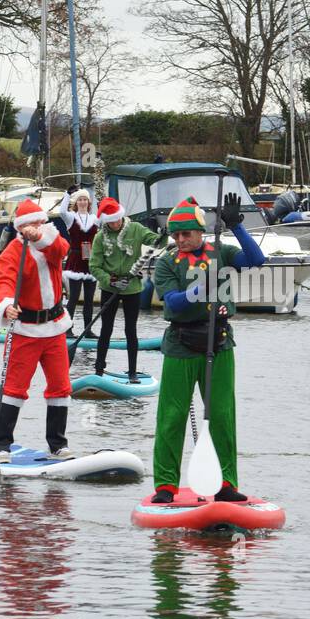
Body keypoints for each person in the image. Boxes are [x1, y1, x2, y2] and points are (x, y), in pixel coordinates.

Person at [150, 193, 265, 504]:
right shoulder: (165, 263)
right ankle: (165, 485)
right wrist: (199, 289)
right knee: (172, 417)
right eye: (176, 234)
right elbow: (172, 301)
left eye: (186, 233)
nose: (180, 239)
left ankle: (226, 482)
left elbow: (257, 260)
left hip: (220, 342)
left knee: (222, 415)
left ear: (200, 232)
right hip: (181, 345)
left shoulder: (221, 252)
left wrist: (237, 226)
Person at [0, 199, 75, 460]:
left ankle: (58, 444)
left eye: (38, 223)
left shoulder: (52, 242)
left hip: (55, 328)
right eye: (28, 225)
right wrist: (6, 306)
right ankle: (2, 444)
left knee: (60, 387)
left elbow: (61, 251)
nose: (34, 228)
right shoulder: (12, 252)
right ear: (20, 227)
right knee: (15, 388)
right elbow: (3, 281)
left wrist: (39, 236)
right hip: (25, 330)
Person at [89, 196, 166, 384]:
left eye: (116, 219)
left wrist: (164, 234)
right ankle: (99, 370)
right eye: (110, 221)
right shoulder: (100, 237)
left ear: (121, 216)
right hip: (111, 287)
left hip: (132, 288)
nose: (114, 224)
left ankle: (132, 372)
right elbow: (94, 266)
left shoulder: (136, 229)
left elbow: (158, 243)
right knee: (106, 329)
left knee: (130, 330)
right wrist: (110, 281)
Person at [58, 186, 98, 334]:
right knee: (73, 297)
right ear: (76, 202)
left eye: (85, 199)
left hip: (90, 261)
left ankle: (88, 330)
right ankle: (68, 329)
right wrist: (67, 194)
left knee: (89, 299)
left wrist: (101, 197)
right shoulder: (71, 218)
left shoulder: (95, 219)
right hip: (75, 259)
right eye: (80, 199)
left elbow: (106, 215)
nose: (83, 202)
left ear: (89, 202)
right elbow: (62, 211)